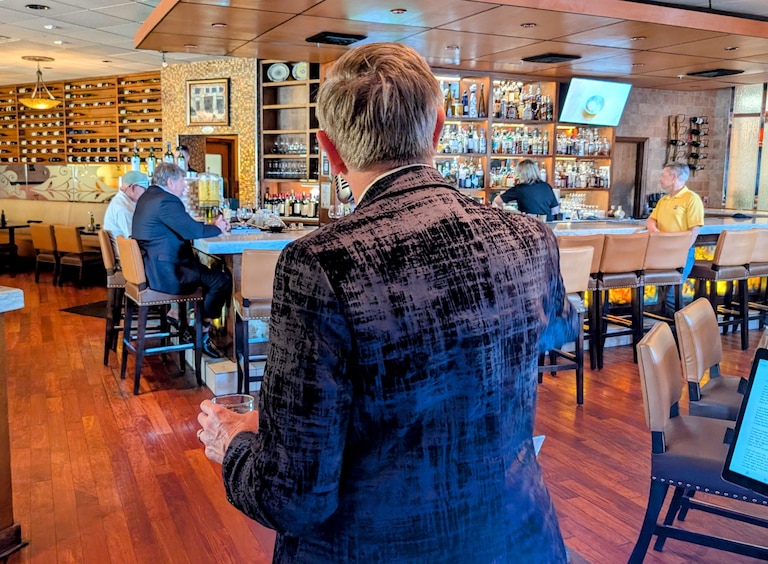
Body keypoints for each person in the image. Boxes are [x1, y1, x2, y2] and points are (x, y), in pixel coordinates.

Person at [197, 42, 576, 562]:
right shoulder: (530, 238)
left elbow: (293, 496)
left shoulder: (318, 263)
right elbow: (558, 330)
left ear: (330, 149)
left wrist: (236, 444)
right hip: (520, 539)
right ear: (438, 127)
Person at [131, 162, 231, 358]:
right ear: (170, 182)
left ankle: (183, 318)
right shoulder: (166, 200)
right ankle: (202, 331)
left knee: (207, 273)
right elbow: (191, 231)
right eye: (182, 182)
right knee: (221, 280)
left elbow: (185, 226)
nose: (185, 187)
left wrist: (209, 226)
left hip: (153, 269)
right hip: (169, 274)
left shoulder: (148, 197)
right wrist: (218, 228)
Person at [646, 162, 705, 315]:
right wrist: (655, 231)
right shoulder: (664, 200)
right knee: (664, 293)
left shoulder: (692, 199)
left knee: (672, 294)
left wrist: (681, 251)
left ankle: (683, 327)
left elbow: (694, 229)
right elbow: (651, 219)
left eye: (663, 175)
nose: (660, 179)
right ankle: (673, 326)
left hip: (681, 254)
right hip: (662, 253)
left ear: (674, 177)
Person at [492, 159, 560, 220]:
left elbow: (497, 200)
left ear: (521, 174)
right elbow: (555, 210)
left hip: (528, 224)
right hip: (547, 225)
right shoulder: (546, 186)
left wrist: (503, 211)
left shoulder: (519, 188)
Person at [103, 170, 148, 257]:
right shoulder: (123, 208)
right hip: (127, 257)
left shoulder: (123, 202)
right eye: (144, 189)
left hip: (126, 253)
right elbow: (133, 238)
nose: (146, 193)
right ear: (133, 188)